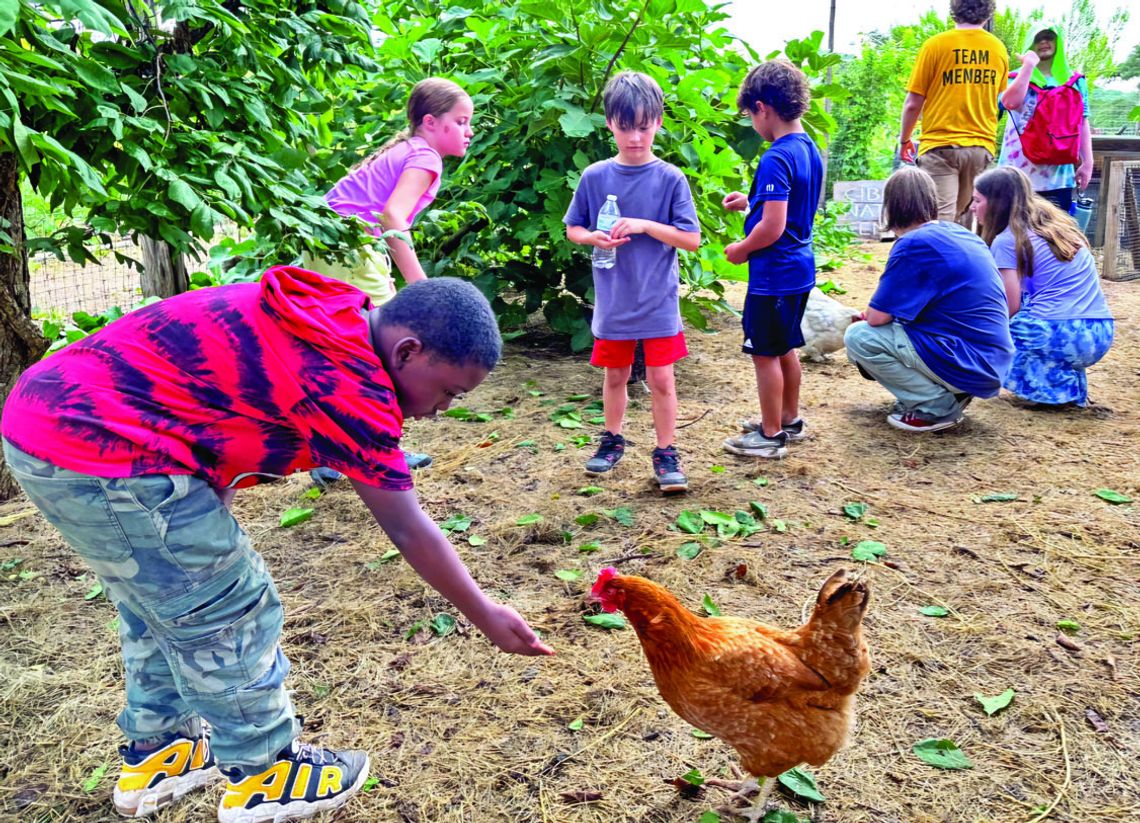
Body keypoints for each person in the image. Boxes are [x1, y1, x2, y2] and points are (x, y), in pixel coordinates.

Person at [0, 271, 553, 823]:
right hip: (97, 446)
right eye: (449, 391)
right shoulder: (347, 385)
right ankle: (267, 774)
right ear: (408, 351)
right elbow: (407, 528)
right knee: (228, 608)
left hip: (54, 424)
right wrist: (484, 613)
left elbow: (210, 406)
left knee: (164, 606)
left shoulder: (330, 318)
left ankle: (160, 753)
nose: (443, 409)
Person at [306, 77, 475, 473]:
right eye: (461, 121)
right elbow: (392, 217)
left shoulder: (409, 148)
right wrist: (421, 287)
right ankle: (378, 449)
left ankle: (327, 450)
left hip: (328, 246)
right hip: (352, 250)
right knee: (388, 348)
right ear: (431, 122)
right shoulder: (425, 157)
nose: (469, 131)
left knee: (346, 348)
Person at [563, 71, 701, 493]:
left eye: (644, 127)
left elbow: (691, 240)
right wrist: (593, 236)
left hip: (657, 299)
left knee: (662, 379)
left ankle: (666, 451)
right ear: (610, 124)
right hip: (614, 299)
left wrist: (645, 225)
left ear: (658, 122)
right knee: (615, 375)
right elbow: (574, 229)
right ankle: (612, 439)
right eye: (626, 127)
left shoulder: (671, 179)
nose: (635, 137)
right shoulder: (595, 177)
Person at [844, 166, 1014, 432]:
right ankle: (953, 393)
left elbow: (877, 319)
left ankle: (935, 407)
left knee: (859, 337)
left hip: (967, 360)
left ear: (892, 206)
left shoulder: (913, 244)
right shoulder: (961, 234)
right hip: (991, 361)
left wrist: (870, 319)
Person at [720, 60, 822, 460]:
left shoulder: (776, 157)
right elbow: (790, 204)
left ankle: (769, 434)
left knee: (764, 351)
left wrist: (741, 249)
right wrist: (751, 202)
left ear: (762, 107)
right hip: (799, 269)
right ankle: (788, 418)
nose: (751, 123)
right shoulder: (807, 148)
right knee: (785, 348)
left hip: (774, 273)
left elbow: (773, 227)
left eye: (749, 115)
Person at [972, 166, 1113, 406]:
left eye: (977, 200)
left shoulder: (1007, 240)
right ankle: (1065, 387)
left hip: (1061, 333)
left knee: (987, 332)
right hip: (1099, 334)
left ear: (997, 203)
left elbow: (1009, 306)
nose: (972, 208)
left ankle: (1048, 393)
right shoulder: (1058, 228)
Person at [899, 0, 1008, 226]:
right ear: (988, 14)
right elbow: (999, 98)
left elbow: (913, 103)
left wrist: (905, 140)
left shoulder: (936, 45)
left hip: (940, 146)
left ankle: (935, 260)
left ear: (954, 12)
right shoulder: (997, 49)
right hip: (980, 147)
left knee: (938, 222)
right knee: (968, 222)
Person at [998, 25, 1093, 213]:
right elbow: (1008, 102)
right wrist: (1028, 67)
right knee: (1012, 236)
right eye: (1037, 38)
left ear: (1058, 42)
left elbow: (1082, 122)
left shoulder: (1076, 81)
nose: (1044, 42)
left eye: (1049, 37)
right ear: (1029, 44)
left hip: (1059, 176)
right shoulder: (1014, 77)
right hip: (1016, 175)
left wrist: (1087, 162)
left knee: (1055, 237)